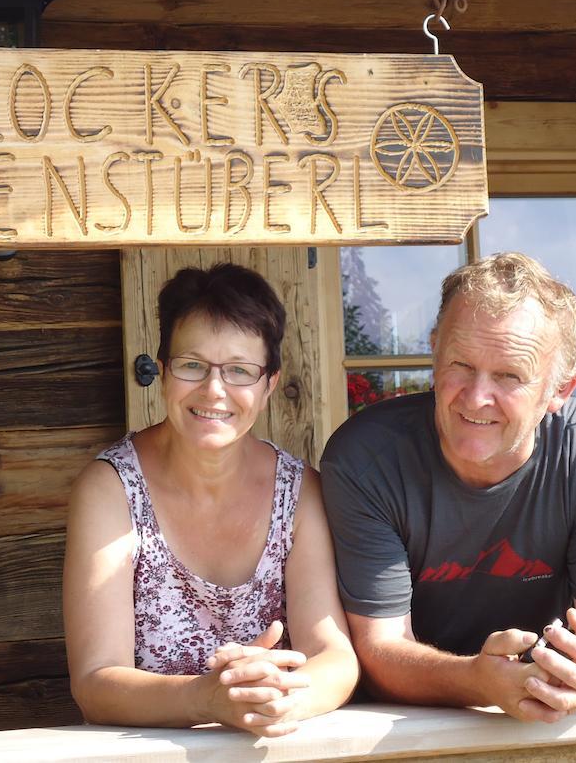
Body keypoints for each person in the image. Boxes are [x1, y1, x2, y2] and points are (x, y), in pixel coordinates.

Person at [321, 252, 576, 722]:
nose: (476, 398)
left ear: (561, 390)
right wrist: (477, 679)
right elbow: (379, 648)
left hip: (546, 712)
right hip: (398, 723)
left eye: (509, 376)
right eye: (461, 364)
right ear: (435, 352)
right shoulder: (368, 458)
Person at [64, 263, 357, 738]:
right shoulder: (110, 490)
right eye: (192, 365)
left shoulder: (300, 491)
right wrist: (208, 698)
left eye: (239, 370)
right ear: (162, 371)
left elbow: (336, 659)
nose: (214, 390)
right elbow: (95, 683)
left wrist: (277, 698)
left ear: (269, 385)